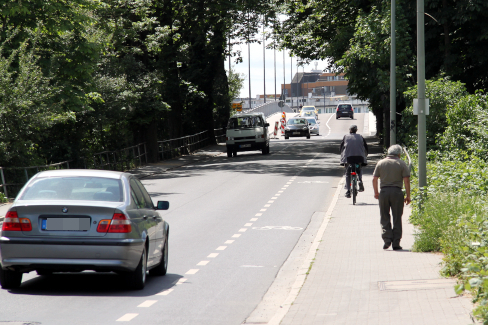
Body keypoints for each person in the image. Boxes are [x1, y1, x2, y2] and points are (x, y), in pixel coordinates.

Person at [372, 144, 411, 250]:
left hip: (384, 192)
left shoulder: (381, 163)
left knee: (384, 216)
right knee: (397, 218)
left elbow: (374, 179)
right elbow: (406, 180)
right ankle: (396, 243)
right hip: (397, 193)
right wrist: (408, 195)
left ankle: (387, 239)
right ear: (399, 153)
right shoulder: (401, 163)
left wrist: (376, 192)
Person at [340, 125, 368, 198]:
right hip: (359, 158)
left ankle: (348, 191)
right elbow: (366, 148)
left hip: (349, 158)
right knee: (359, 169)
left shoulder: (346, 137)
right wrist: (365, 156)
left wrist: (342, 158)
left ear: (350, 130)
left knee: (348, 174)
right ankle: (360, 180)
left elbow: (341, 148)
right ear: (357, 130)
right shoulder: (361, 137)